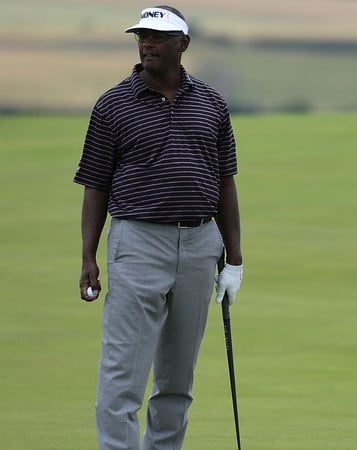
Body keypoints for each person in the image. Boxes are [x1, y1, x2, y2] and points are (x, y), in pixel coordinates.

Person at [74, 6, 243, 449]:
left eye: (157, 37)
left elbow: (225, 183)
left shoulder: (212, 104)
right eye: (141, 37)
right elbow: (95, 186)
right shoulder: (113, 105)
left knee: (176, 377)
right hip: (138, 242)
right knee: (122, 374)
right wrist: (89, 257)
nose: (147, 44)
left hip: (201, 243)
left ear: (182, 45)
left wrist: (235, 261)